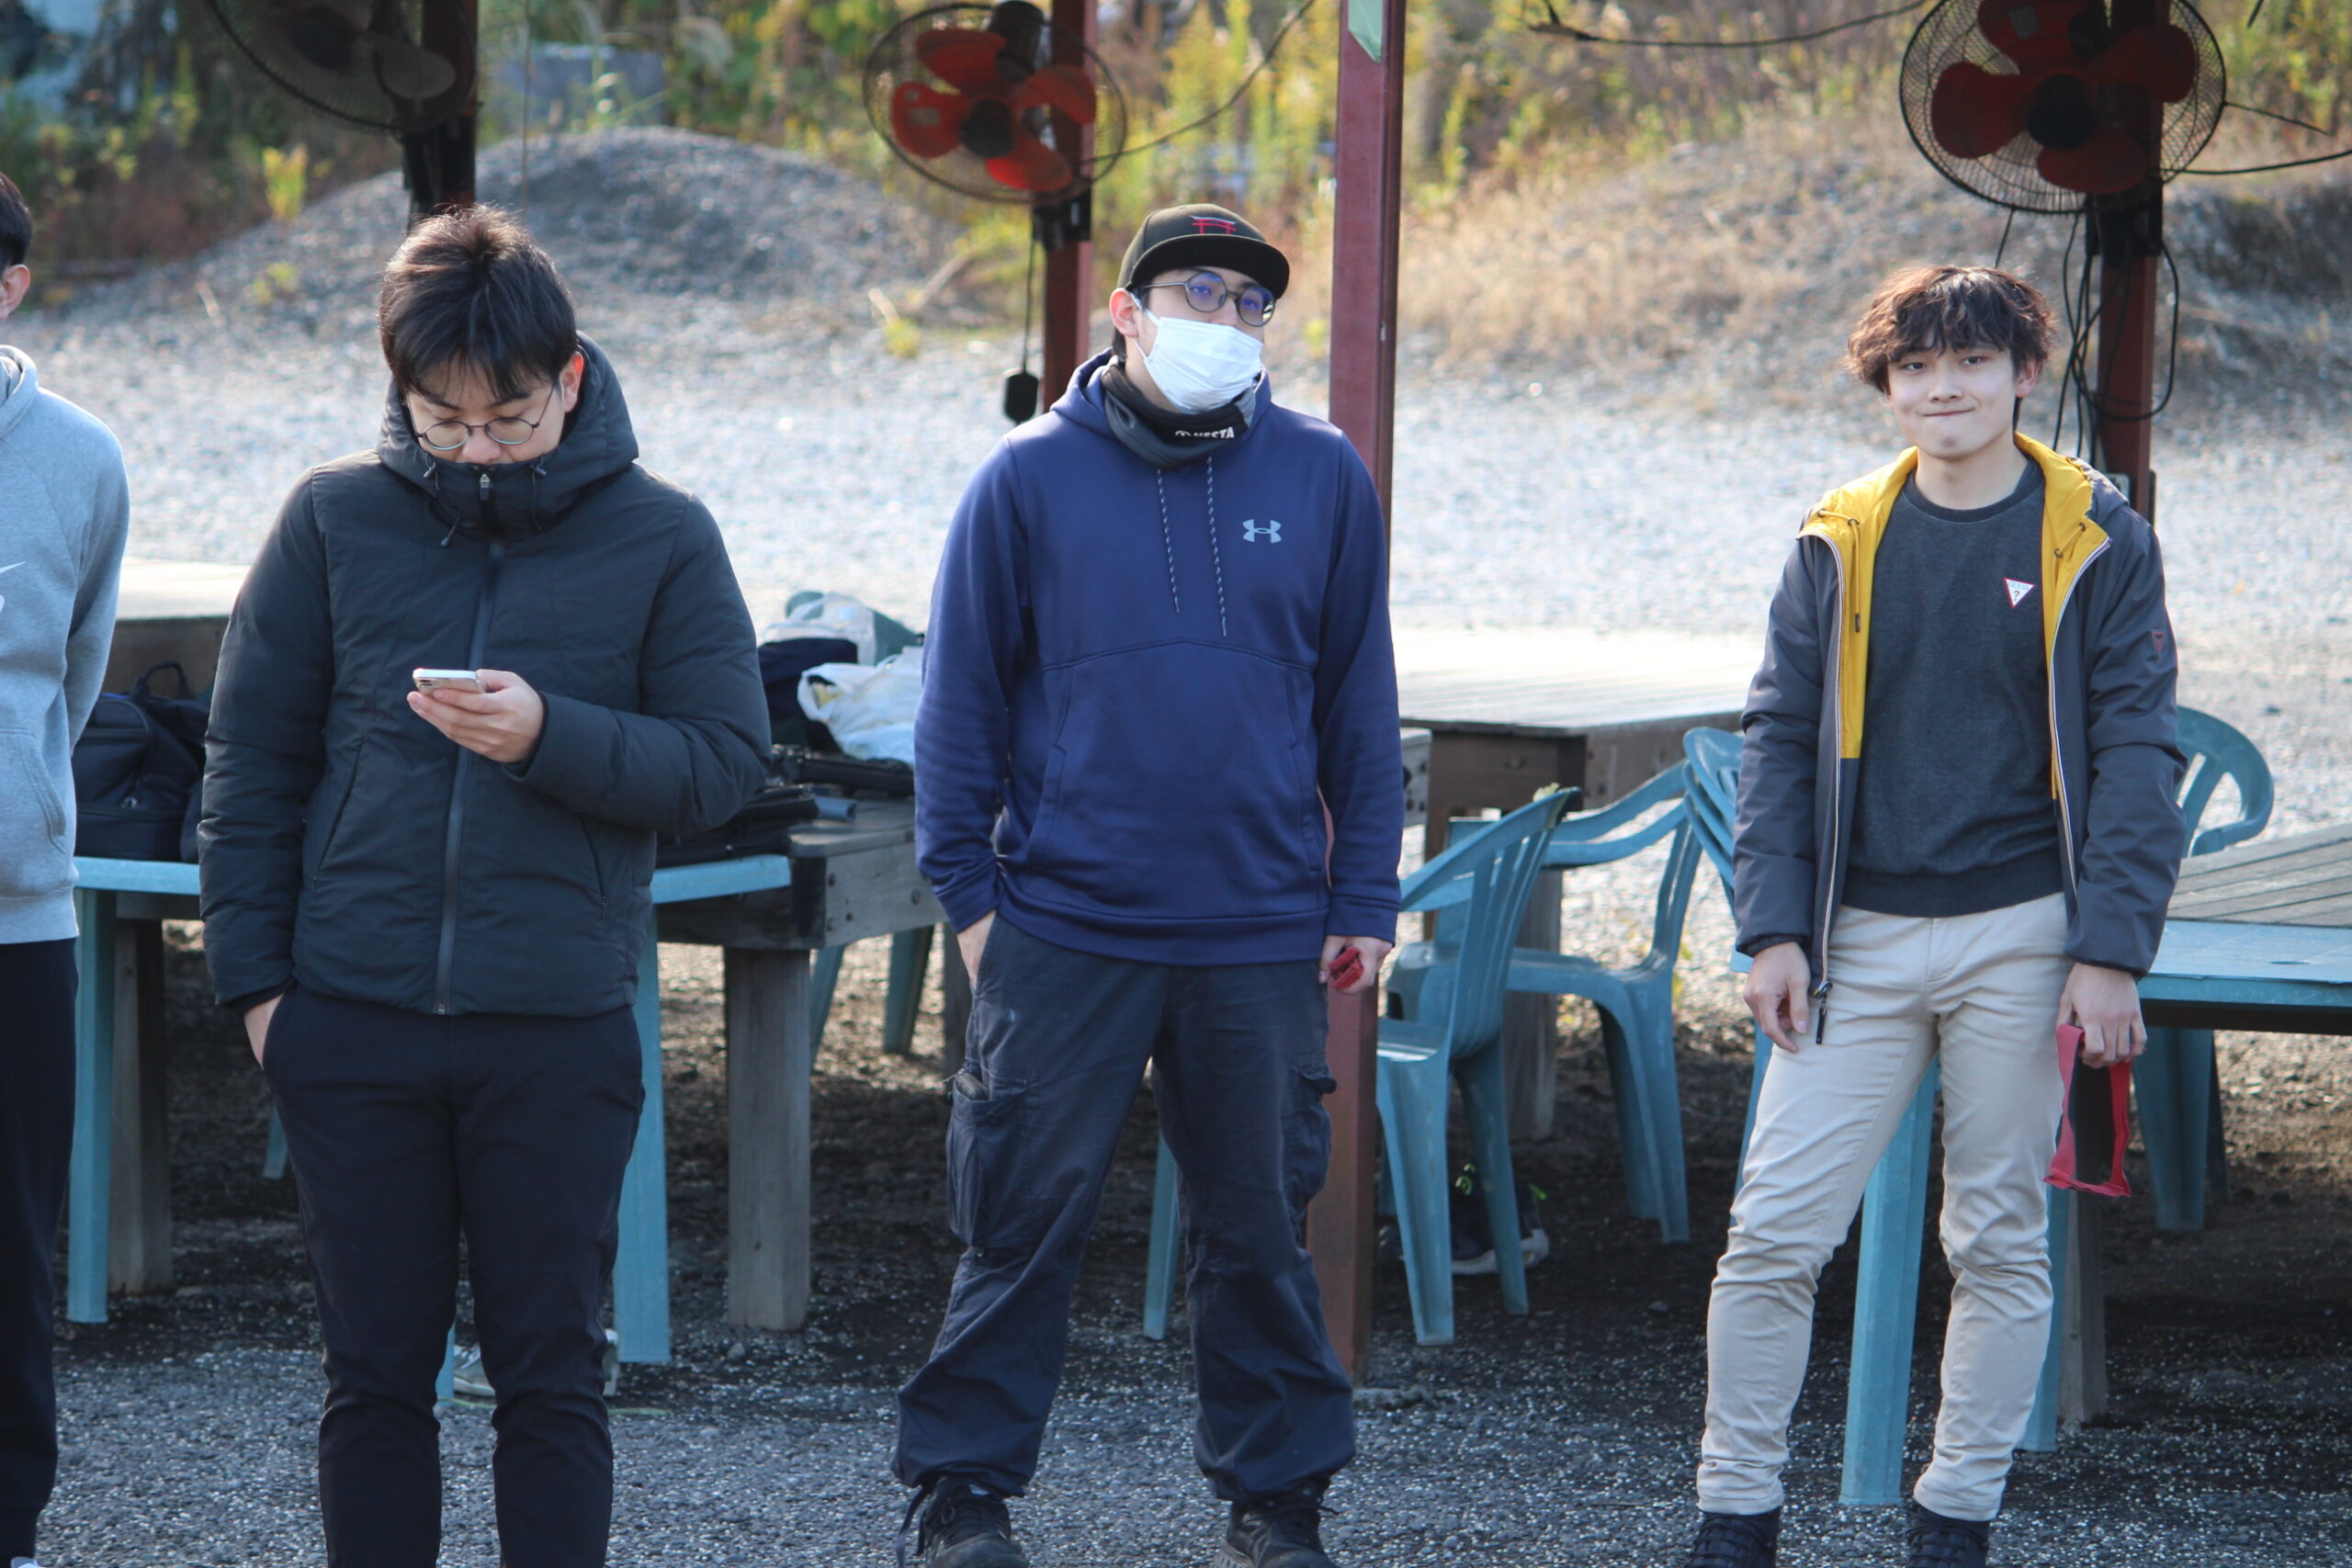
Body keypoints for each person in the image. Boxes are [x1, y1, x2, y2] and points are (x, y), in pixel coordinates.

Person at [198, 207, 767, 1568]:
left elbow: (723, 763)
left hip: (556, 1026)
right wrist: (262, 994)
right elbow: (249, 762)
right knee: (373, 1378)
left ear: (569, 377)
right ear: (400, 390)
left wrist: (548, 734)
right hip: (351, 1017)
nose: (476, 449)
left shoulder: (664, 535)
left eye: (508, 419)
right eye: (441, 421)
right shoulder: (333, 517)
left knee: (552, 1376)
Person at [898, 203, 1402, 1568]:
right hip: (1063, 918)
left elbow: (1359, 700)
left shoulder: (1322, 474)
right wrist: (972, 903)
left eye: (1251, 301)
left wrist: (1363, 897)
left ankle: (1277, 1503)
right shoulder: (1025, 479)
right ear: (1126, 312)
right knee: (1019, 1219)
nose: (1227, 319)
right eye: (1198, 293)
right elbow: (956, 713)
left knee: (1260, 1227)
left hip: (1258, 925)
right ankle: (960, 1496)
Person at [1685, 265, 2183, 1568]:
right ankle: (1734, 1516)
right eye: (1915, 367)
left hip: (2024, 929)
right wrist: (1772, 928)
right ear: (1887, 387)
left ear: (2024, 374)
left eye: (1970, 361)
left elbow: (2139, 748)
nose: (1942, 387)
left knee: (1997, 1238)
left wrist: (2110, 950)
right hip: (1853, 935)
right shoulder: (1839, 533)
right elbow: (1778, 734)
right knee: (1772, 1235)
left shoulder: (2097, 535)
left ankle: (1955, 1518)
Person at [0, 169, 131, 1568]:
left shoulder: (81, 457)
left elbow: (78, 674)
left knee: (11, 1243)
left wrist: (19, 803)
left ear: (12, 288)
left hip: (16, 919)